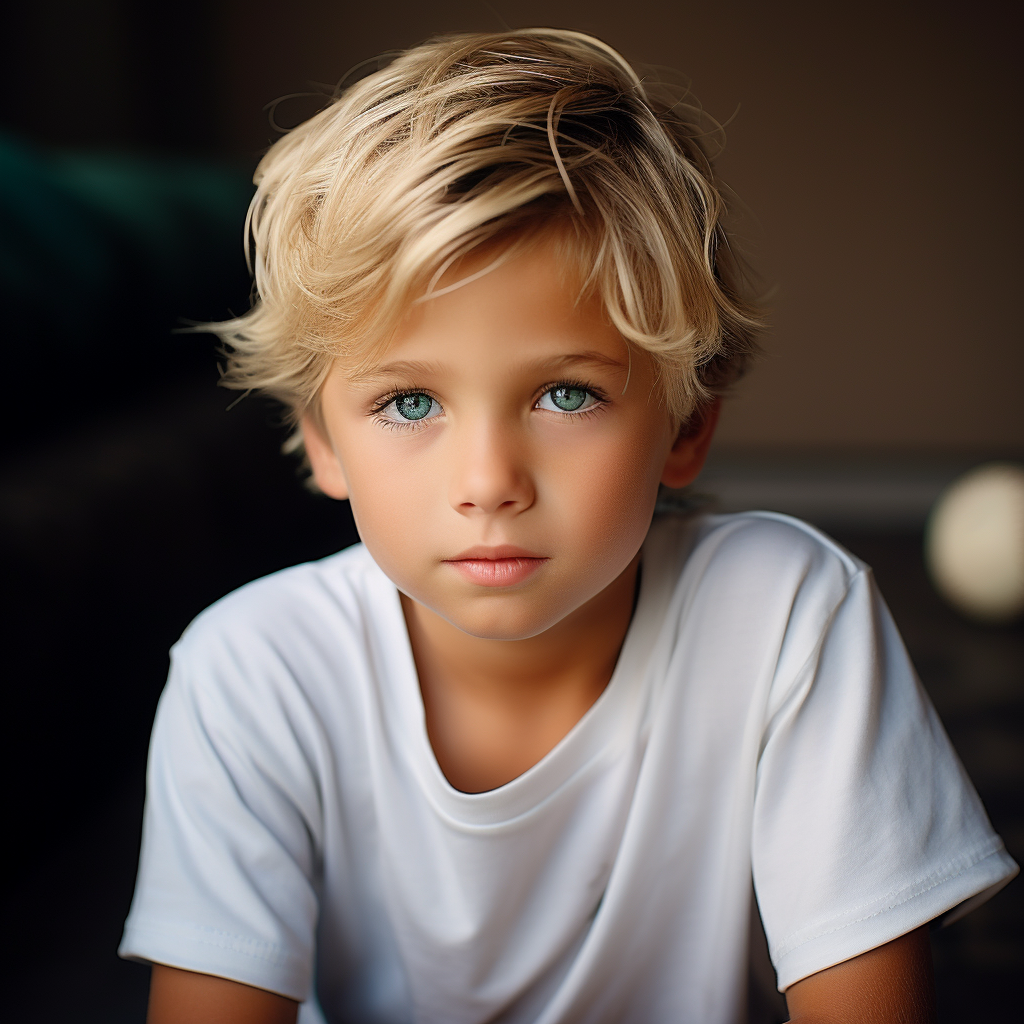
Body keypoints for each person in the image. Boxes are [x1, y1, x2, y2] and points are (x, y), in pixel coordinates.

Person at [119, 29, 1017, 1024]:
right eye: (411, 404)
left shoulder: (786, 615)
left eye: (563, 393)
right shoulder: (253, 669)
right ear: (323, 443)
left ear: (685, 426)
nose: (490, 481)